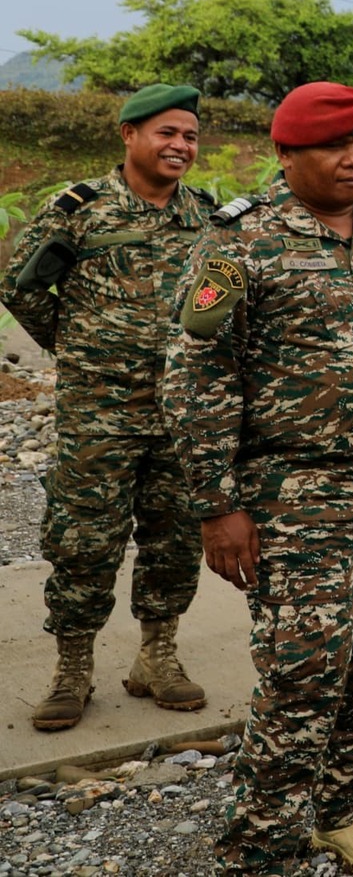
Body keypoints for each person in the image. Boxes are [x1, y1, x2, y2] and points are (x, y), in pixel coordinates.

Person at [161, 82, 353, 877]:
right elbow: (198, 376)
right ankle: (261, 839)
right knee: (304, 668)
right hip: (293, 497)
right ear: (286, 153)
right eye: (335, 145)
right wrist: (216, 503)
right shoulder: (240, 244)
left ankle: (346, 809)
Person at [2, 84, 213, 731]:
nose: (180, 145)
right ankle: (72, 668)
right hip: (99, 413)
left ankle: (157, 656)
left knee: (174, 539)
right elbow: (20, 285)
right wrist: (76, 345)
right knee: (84, 541)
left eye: (190, 136)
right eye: (167, 132)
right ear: (129, 135)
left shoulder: (206, 216)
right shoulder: (80, 209)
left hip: (181, 413)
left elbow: (220, 302)